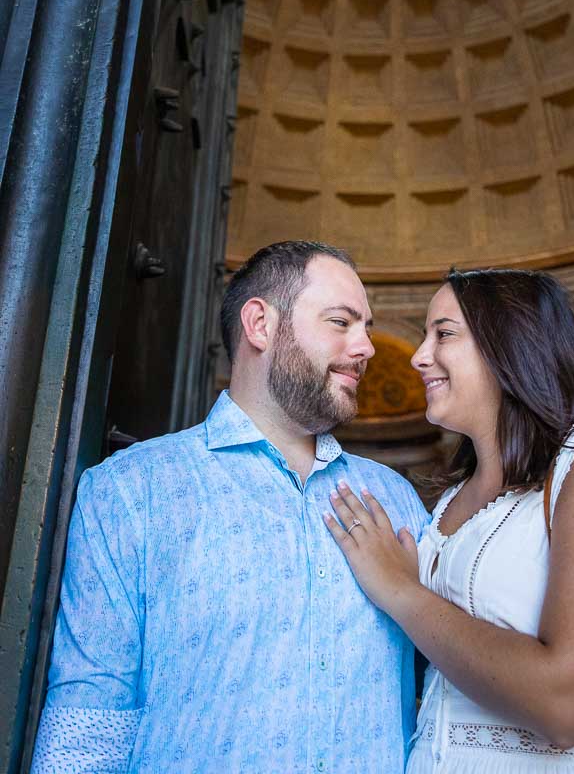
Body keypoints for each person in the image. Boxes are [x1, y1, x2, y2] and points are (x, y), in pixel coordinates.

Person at [32, 240, 428, 773]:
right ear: (260, 324)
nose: (367, 347)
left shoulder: (396, 500)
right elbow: (89, 727)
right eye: (341, 322)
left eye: (367, 326)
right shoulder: (130, 491)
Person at [325, 267, 574, 772]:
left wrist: (401, 590)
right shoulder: (454, 496)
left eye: (444, 334)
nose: (418, 356)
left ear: (511, 347)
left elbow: (568, 705)